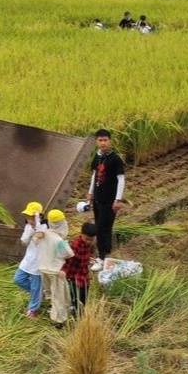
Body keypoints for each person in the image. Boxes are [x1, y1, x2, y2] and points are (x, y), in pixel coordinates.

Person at [86, 129, 126, 260]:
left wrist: (118, 199)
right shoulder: (97, 156)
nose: (103, 143)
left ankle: (103, 256)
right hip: (98, 198)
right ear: (96, 141)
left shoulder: (115, 159)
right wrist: (90, 192)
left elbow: (121, 179)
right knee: (99, 226)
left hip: (109, 200)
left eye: (105, 140)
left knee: (105, 228)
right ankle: (101, 254)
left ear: (110, 141)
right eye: (100, 140)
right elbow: (94, 175)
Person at [34, 219, 74, 327]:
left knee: (50, 292)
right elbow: (69, 253)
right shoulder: (58, 240)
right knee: (58, 295)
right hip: (55, 271)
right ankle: (58, 320)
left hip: (43, 268)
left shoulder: (43, 234)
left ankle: (53, 310)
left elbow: (35, 242)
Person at [14, 201, 44, 317]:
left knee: (36, 286)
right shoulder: (28, 227)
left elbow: (41, 236)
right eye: (27, 217)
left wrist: (37, 226)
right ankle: (38, 294)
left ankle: (33, 309)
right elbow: (23, 242)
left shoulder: (44, 227)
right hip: (28, 260)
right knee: (18, 279)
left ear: (37, 217)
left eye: (31, 217)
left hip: (38, 263)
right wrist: (28, 234)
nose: (28, 219)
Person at [61, 222, 97, 319]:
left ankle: (80, 313)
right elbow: (68, 262)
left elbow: (90, 254)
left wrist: (90, 259)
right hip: (74, 277)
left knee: (84, 297)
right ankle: (76, 316)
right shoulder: (75, 245)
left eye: (91, 239)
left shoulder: (91, 244)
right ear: (82, 234)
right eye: (87, 239)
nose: (89, 241)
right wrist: (64, 273)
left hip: (84, 275)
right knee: (76, 298)